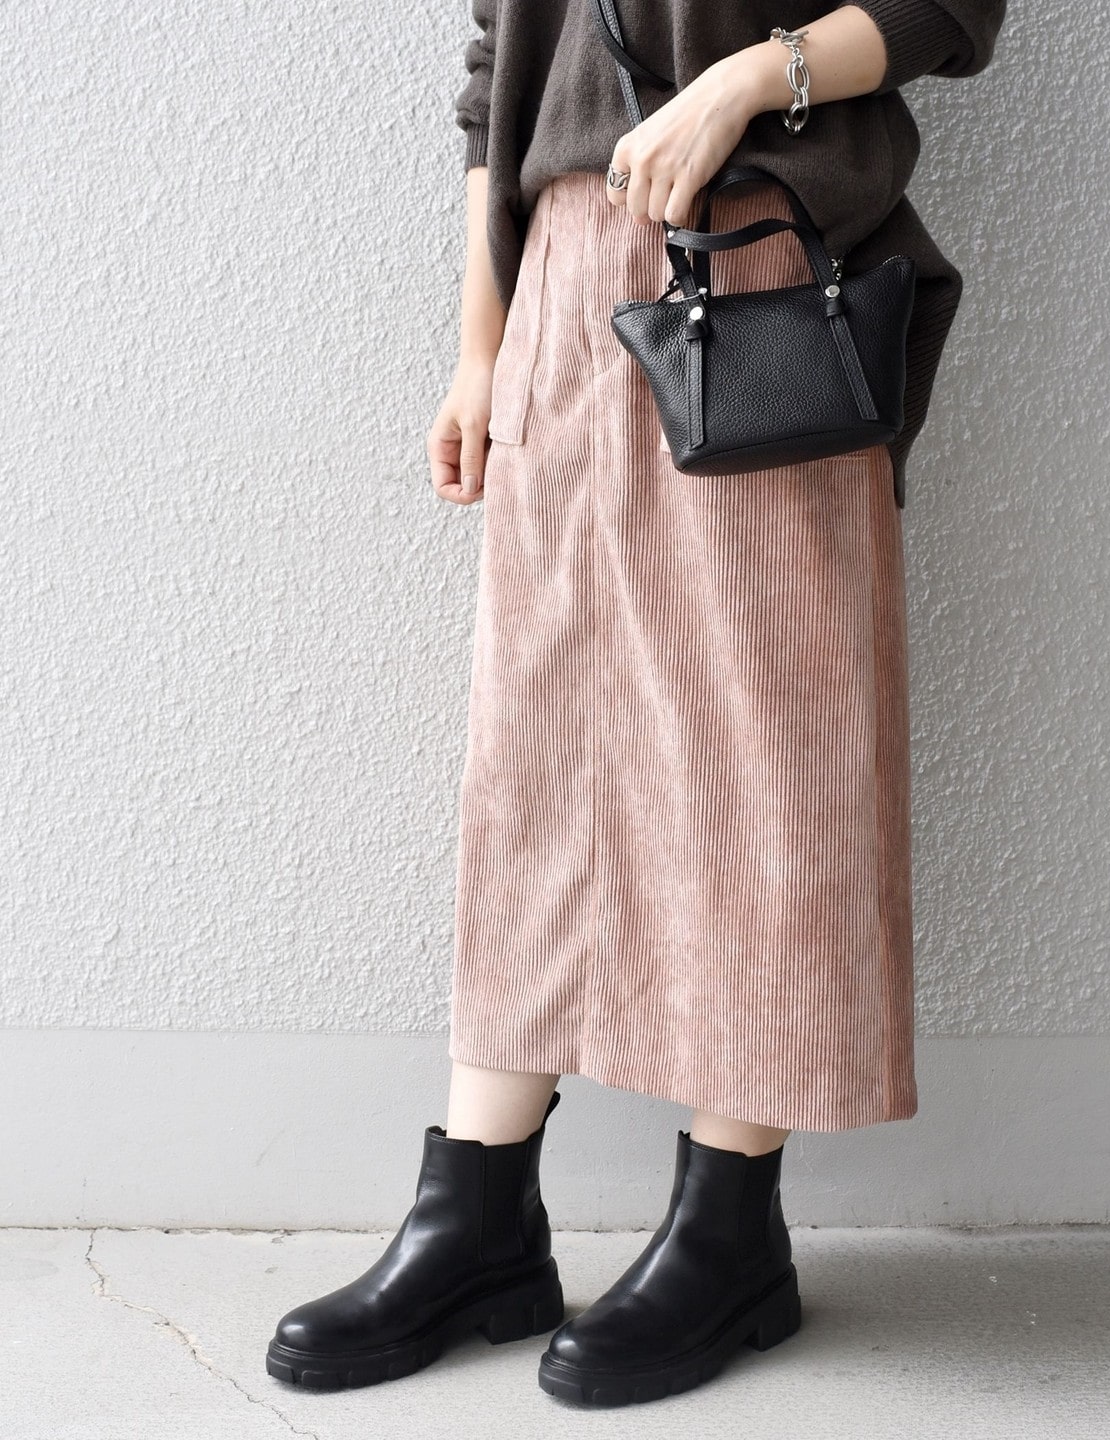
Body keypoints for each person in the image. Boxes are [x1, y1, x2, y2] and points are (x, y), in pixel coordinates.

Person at [265, 0, 1007, 1408]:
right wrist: (480, 342)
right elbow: (500, 67)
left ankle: (731, 1234)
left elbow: (950, 8)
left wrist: (745, 83)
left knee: (767, 757)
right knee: (537, 756)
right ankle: (479, 1217)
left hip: (762, 263)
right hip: (560, 278)